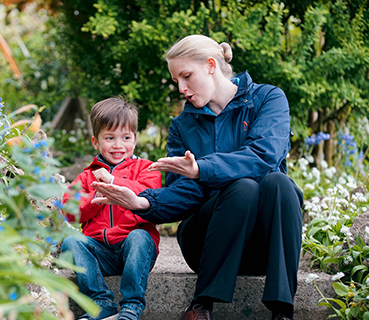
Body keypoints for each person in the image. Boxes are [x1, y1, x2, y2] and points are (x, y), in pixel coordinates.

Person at [91, 35, 304, 320]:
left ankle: (283, 311)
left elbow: (264, 156)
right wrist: (141, 202)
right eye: (177, 80)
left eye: (186, 76)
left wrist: (202, 168)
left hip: (260, 248)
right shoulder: (183, 126)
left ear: (212, 65)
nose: (181, 88)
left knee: (279, 183)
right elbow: (185, 192)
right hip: (206, 242)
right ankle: (201, 306)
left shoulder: (268, 98)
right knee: (242, 189)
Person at [61, 97, 162, 320]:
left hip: (134, 250)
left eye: (125, 137)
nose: (118, 145)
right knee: (71, 242)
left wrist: (114, 183)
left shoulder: (147, 169)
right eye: (109, 138)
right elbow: (69, 208)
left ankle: (131, 307)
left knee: (140, 236)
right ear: (95, 142)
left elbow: (151, 195)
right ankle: (101, 303)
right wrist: (96, 196)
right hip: (100, 253)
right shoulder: (87, 175)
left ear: (135, 140)